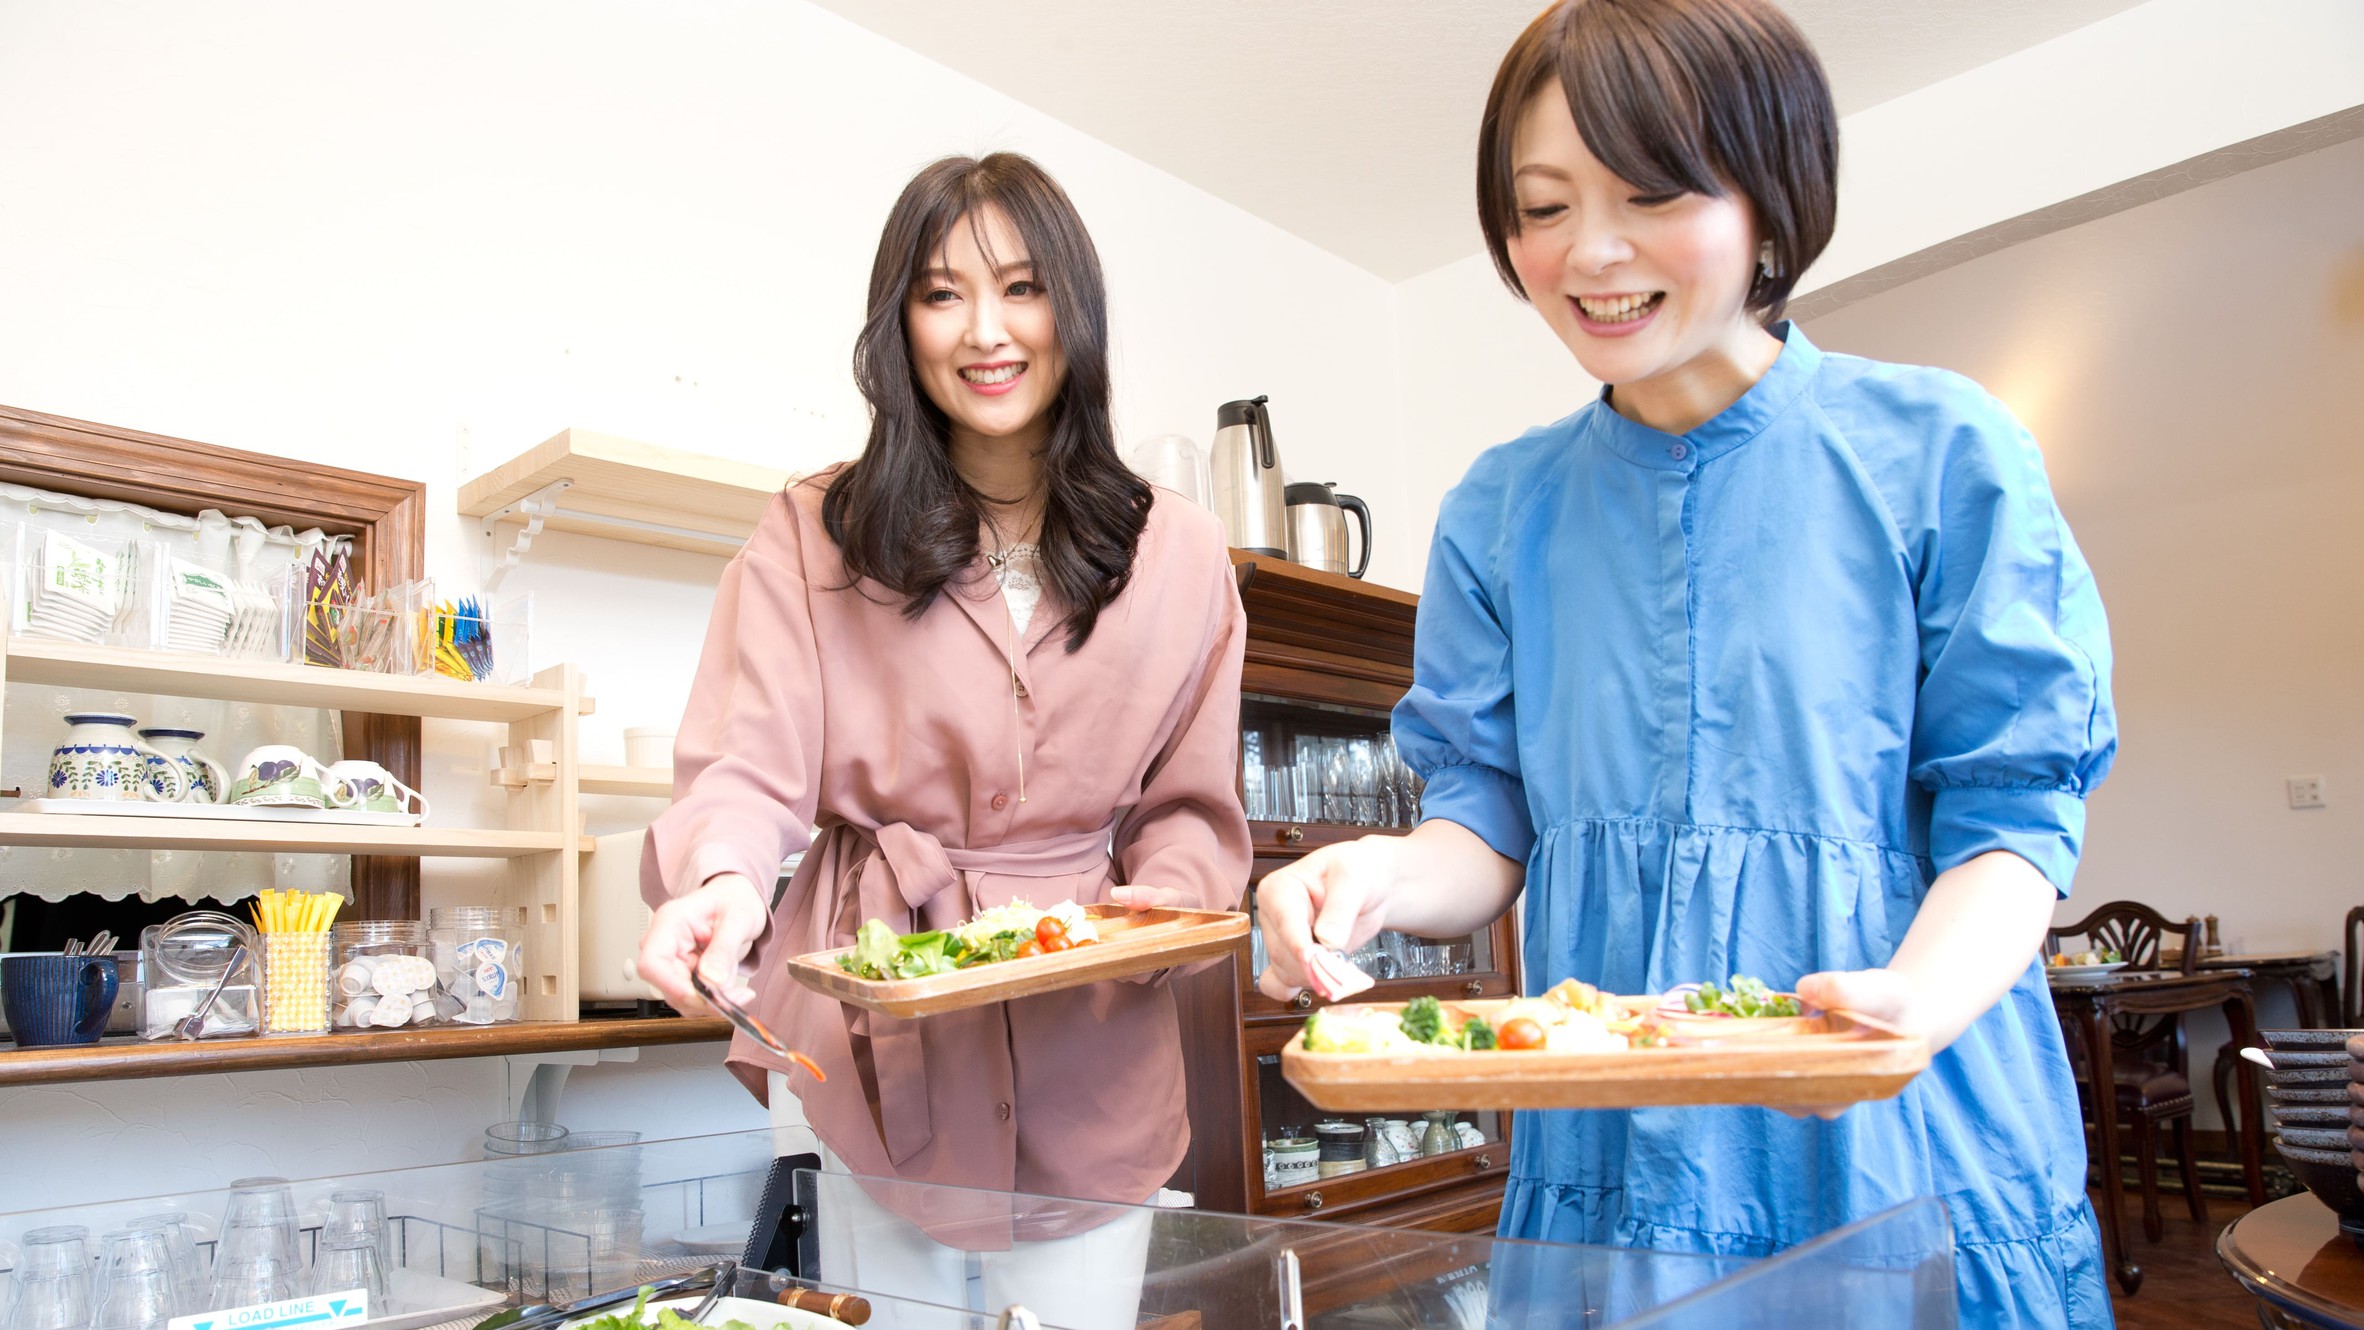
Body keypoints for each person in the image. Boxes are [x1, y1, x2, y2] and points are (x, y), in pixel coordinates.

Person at [1255, 2, 2117, 1326]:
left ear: (1770, 197)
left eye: (1650, 193)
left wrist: (1916, 1001)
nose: (1587, 254)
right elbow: (1483, 824)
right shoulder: (1501, 509)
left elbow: (2015, 815)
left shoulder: (1942, 450)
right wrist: (1364, 873)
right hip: (1616, 1147)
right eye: (1541, 207)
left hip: (1899, 1111)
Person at [635, 152, 1250, 1323]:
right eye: (941, 293)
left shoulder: (1180, 554)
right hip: (874, 1037)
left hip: (1094, 1047)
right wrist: (719, 881)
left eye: (1022, 288)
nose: (987, 331)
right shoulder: (814, 531)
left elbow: (1188, 810)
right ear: (898, 323)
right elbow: (747, 759)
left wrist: (1157, 907)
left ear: (1075, 307)